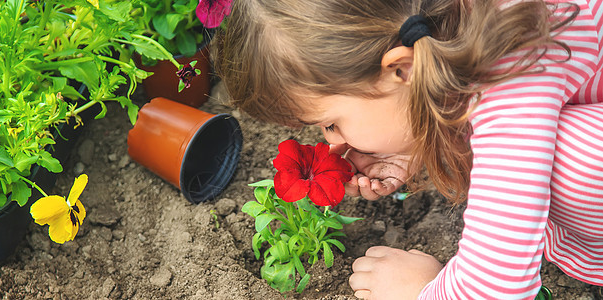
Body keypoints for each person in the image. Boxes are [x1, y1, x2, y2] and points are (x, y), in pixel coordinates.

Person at [213, 0, 603, 298]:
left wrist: (423, 289)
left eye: (331, 123)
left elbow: (495, 288)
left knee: (572, 159)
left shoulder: (511, 85)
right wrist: (415, 146)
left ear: (402, 69)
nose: (333, 143)